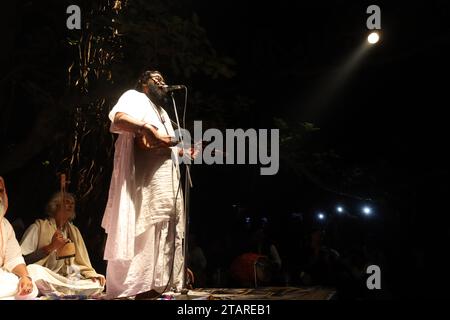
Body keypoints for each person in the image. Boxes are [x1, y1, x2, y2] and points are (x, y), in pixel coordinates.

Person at [102, 70, 194, 298]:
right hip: (143, 183)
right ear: (144, 83)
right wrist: (146, 128)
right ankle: (137, 286)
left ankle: (159, 283)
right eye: (157, 79)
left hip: (164, 182)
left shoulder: (162, 111)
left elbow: (162, 145)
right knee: (144, 227)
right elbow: (119, 118)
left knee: (165, 225)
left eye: (163, 79)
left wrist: (183, 151)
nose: (163, 83)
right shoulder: (134, 97)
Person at [20, 191, 105, 296]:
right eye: (66, 202)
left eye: (72, 203)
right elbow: (23, 260)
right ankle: (64, 292)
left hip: (66, 280)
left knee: (98, 283)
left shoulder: (74, 231)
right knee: (33, 270)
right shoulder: (38, 227)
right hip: (48, 276)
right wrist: (50, 247)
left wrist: (90, 274)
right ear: (55, 205)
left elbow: (82, 263)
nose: (70, 205)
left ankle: (60, 292)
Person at [0, 176, 38, 300]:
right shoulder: (40, 226)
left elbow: (13, 258)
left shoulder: (4, 224)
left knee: (30, 283)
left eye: (0, 191)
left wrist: (24, 277)